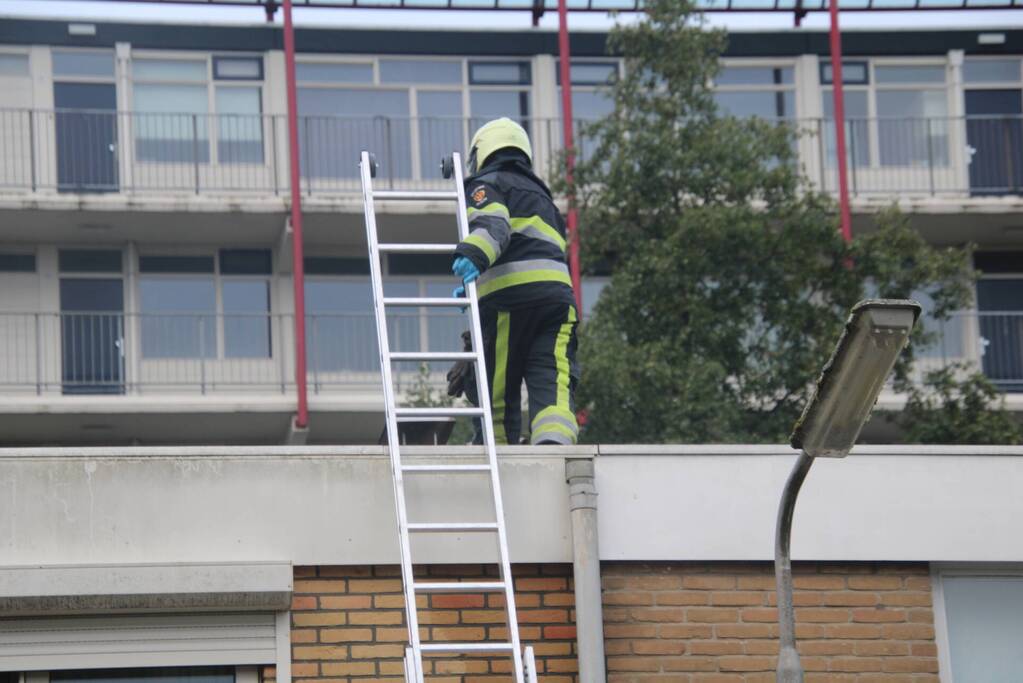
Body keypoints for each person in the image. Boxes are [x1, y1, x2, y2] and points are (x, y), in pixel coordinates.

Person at [447, 117, 579, 446]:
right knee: (552, 378)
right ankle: (554, 448)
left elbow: (494, 225)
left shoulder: (486, 183)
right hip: (558, 304)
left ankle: (502, 454)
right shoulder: (544, 200)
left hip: (509, 301)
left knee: (498, 388)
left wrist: (473, 257)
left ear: (482, 152)